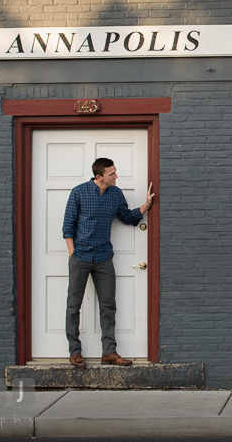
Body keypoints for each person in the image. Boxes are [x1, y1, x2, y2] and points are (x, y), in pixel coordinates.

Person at [63, 157, 154, 368]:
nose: (116, 176)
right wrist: (72, 253)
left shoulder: (115, 194)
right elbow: (68, 225)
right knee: (73, 306)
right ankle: (75, 352)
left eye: (115, 172)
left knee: (108, 305)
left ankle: (109, 352)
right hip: (81, 257)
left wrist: (146, 205)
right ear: (99, 177)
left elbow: (127, 217)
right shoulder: (79, 192)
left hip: (104, 257)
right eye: (112, 174)